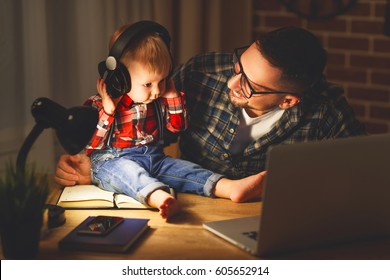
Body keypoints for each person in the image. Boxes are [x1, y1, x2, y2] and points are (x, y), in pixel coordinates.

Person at [55, 26, 365, 198]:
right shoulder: (202, 71)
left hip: (273, 223)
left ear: (287, 101)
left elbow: (361, 181)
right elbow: (139, 125)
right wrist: (92, 162)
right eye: (238, 65)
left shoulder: (328, 113)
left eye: (248, 85)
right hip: (189, 207)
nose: (231, 82)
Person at [76, 21, 265, 220]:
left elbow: (177, 128)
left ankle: (229, 187)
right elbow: (91, 147)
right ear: (119, 77)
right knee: (128, 173)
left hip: (154, 157)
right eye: (148, 84)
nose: (157, 90)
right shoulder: (99, 105)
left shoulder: (157, 99)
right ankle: (158, 197)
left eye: (163, 80)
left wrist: (173, 97)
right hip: (112, 160)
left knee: (185, 169)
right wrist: (108, 111)